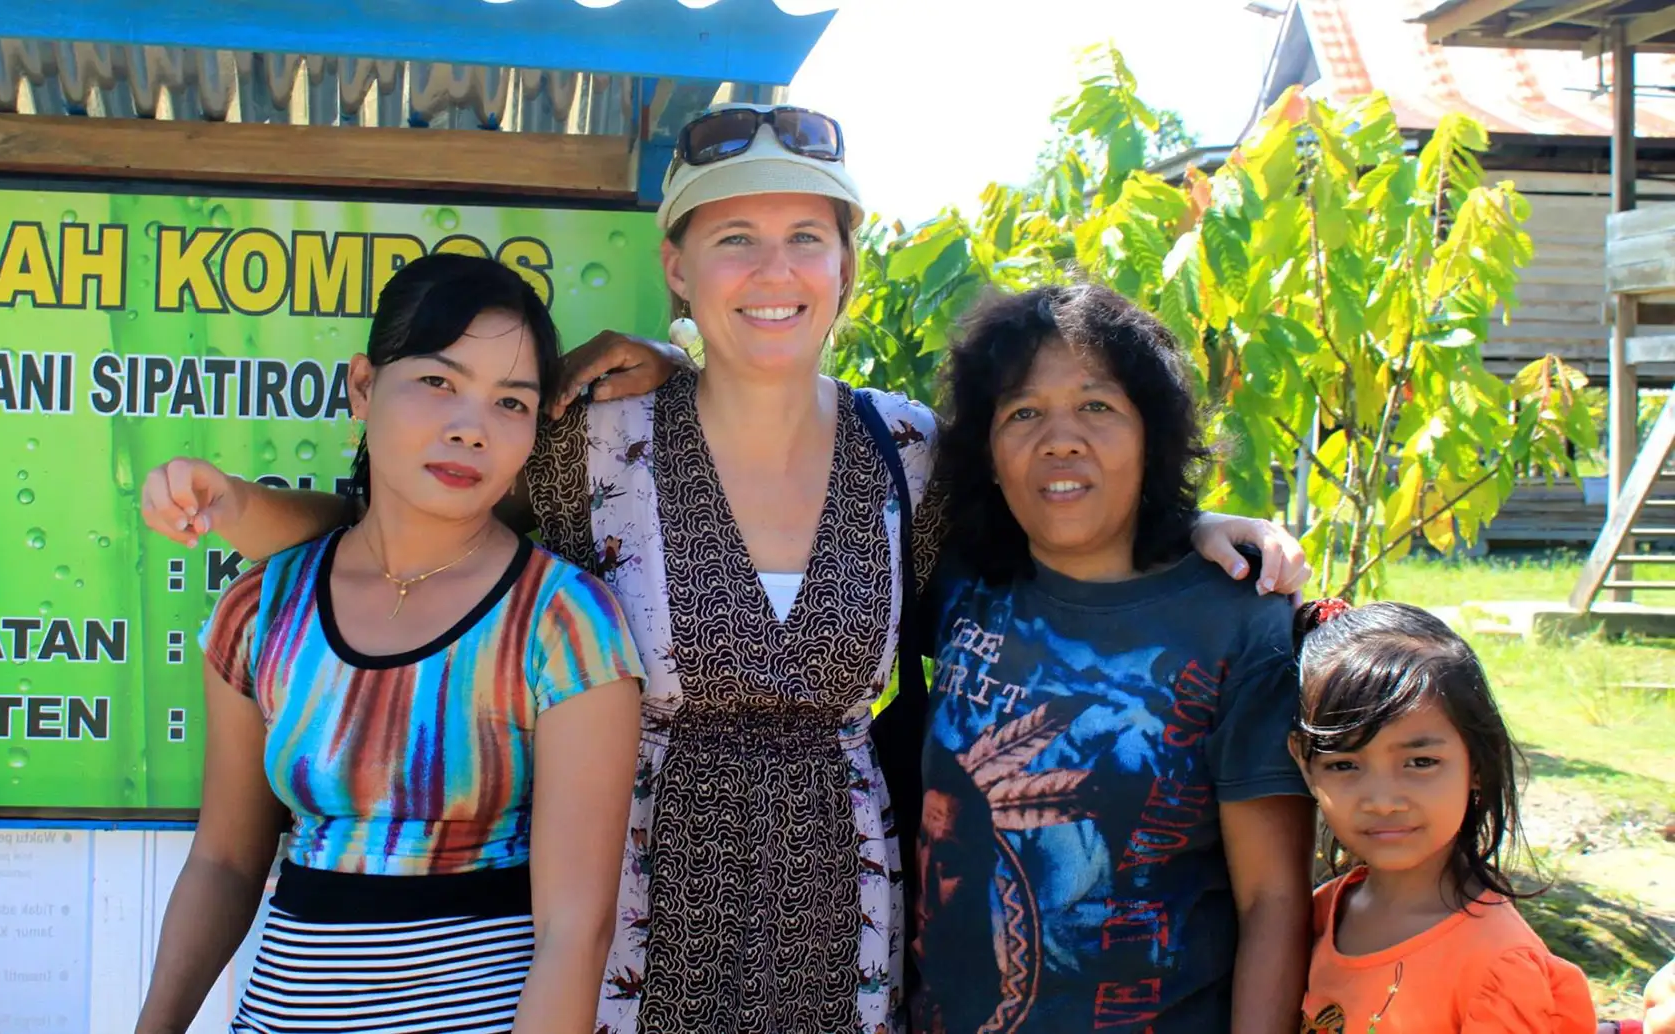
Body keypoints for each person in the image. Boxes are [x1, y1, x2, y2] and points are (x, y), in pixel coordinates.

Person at [138, 104, 1310, 1034]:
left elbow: (1054, 525)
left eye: (807, 236)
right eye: (734, 238)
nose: (773, 270)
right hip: (622, 926)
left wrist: (1198, 528)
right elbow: (402, 531)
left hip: (846, 928)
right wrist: (236, 508)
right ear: (678, 269)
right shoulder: (586, 436)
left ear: (847, 266)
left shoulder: (903, 449)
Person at [133, 254, 643, 1034]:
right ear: (363, 388)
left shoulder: (565, 622)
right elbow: (224, 862)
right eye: (438, 383)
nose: (470, 427)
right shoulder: (260, 610)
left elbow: (576, 935)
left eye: (510, 402)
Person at [906, 283, 1315, 1033]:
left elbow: (1274, 902)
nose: (1060, 439)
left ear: (1152, 437)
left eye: (1097, 406)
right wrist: (673, 366)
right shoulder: (962, 577)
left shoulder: (1237, 623)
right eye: (1022, 413)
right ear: (989, 454)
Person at [1290, 599, 1596, 1034]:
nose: (1382, 800)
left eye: (1420, 762)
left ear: (1478, 764)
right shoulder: (1319, 916)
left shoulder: (1496, 965)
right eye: (1344, 765)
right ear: (1304, 764)